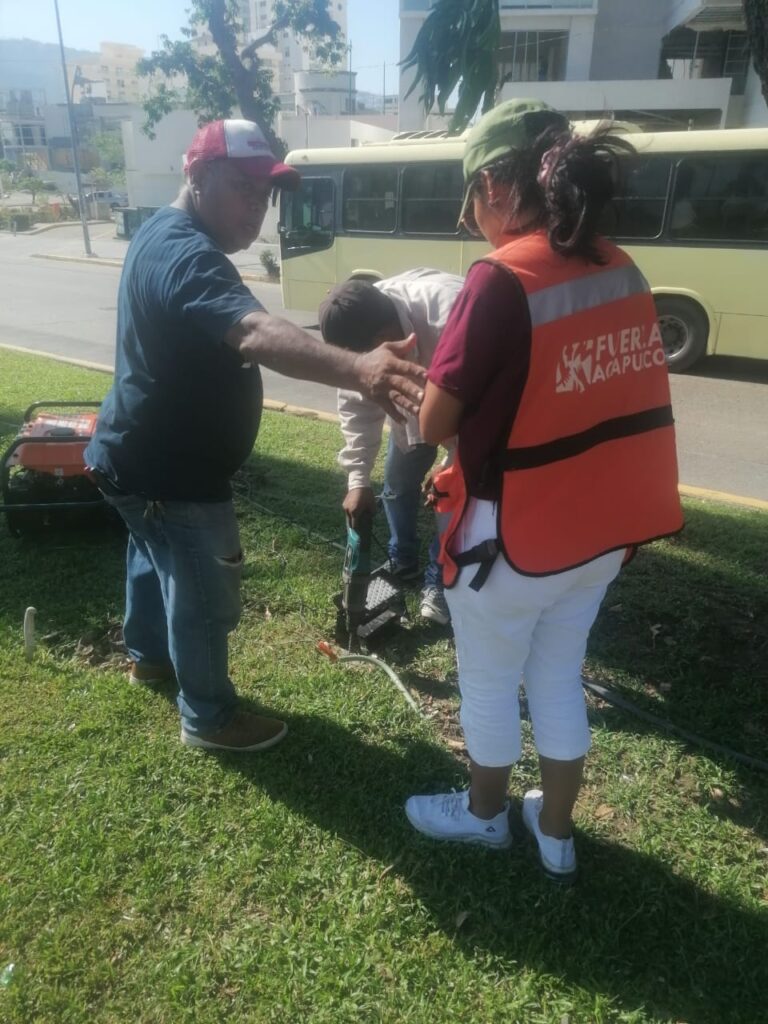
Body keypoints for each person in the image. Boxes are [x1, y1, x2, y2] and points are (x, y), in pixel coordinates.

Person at [403, 99, 684, 879]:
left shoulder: (499, 279)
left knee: (490, 682)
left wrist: (418, 379)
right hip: (595, 539)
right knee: (558, 675)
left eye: (471, 199)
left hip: (508, 539)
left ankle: (486, 817)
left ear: (496, 183)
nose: (470, 220)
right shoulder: (621, 266)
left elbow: (434, 423)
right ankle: (555, 837)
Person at [84, 119, 426, 754]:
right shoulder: (186, 253)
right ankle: (209, 718)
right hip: (172, 472)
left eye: (265, 195)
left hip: (131, 454)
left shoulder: (166, 235)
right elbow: (256, 333)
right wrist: (359, 366)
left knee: (152, 556)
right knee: (204, 594)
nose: (258, 208)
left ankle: (149, 659)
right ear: (197, 176)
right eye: (243, 188)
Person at [318, 270, 464, 625]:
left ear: (384, 338)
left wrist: (453, 464)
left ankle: (439, 583)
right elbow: (356, 405)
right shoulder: (360, 328)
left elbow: (490, 404)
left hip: (467, 418)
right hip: (410, 417)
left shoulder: (452, 315)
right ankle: (403, 560)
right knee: (396, 490)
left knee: (452, 503)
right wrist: (357, 481)